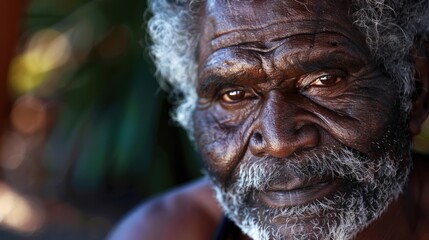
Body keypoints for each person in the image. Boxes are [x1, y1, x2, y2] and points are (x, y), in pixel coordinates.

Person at [108, 0, 429, 239]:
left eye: (324, 80)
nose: (278, 141)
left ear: (414, 91)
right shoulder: (165, 232)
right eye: (233, 95)